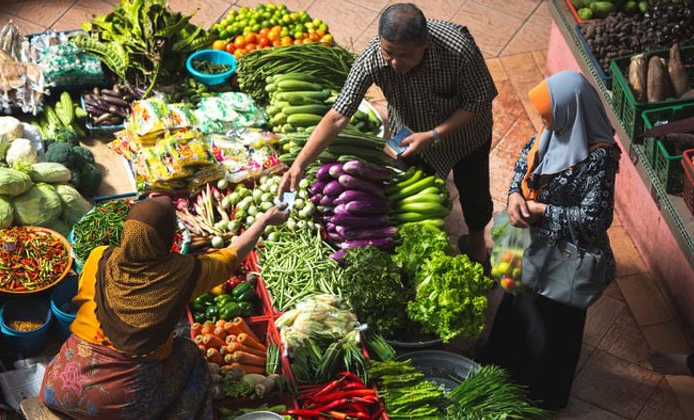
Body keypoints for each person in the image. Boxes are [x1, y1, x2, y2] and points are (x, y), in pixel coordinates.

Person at [278, 2, 498, 267]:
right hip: (409, 131)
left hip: (466, 134)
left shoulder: (457, 48)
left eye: (404, 55)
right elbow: (338, 116)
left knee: (475, 195)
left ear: (424, 43)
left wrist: (434, 135)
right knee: (411, 186)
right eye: (388, 52)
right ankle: (426, 247)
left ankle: (477, 247)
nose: (394, 62)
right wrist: (299, 165)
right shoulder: (372, 58)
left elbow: (480, 100)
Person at [40, 196, 289, 419]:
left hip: (58, 387)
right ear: (168, 238)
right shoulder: (182, 273)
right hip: (117, 407)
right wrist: (265, 220)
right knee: (188, 352)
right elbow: (232, 254)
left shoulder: (98, 257)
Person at [481, 71, 619, 410]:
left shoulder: (599, 158)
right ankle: (503, 372)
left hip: (563, 259)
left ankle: (542, 395)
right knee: (519, 306)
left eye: (548, 114)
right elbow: (522, 163)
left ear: (571, 111)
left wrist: (543, 211)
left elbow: (595, 220)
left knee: (553, 328)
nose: (542, 121)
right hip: (530, 249)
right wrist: (515, 194)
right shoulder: (552, 133)